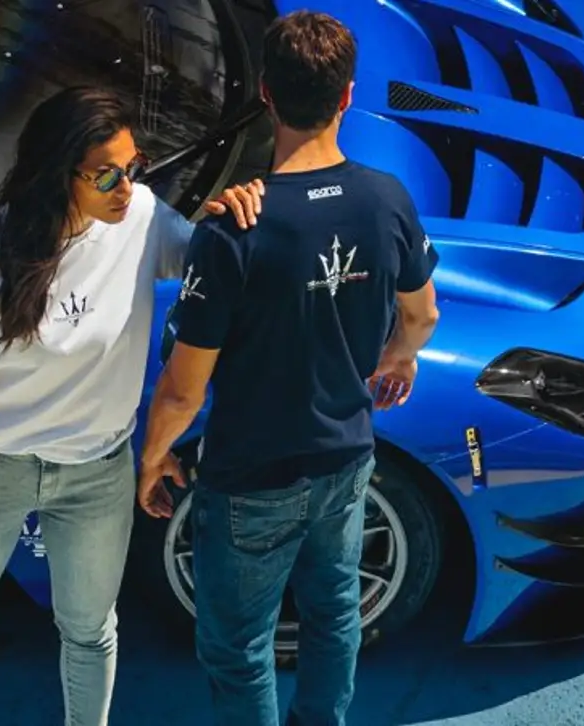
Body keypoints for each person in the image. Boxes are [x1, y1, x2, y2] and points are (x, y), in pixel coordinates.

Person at [0, 85, 266, 726]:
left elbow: (214, 261)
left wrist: (232, 215)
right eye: (107, 176)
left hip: (97, 471)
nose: (127, 187)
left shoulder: (141, 218)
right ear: (57, 174)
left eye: (133, 167)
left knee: (91, 632)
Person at [136, 10, 442, 726]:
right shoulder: (386, 199)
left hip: (251, 479)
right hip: (347, 462)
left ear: (266, 94)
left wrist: (149, 461)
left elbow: (183, 391)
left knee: (239, 647)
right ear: (348, 97)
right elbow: (423, 314)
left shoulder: (232, 232)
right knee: (334, 614)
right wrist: (398, 358)